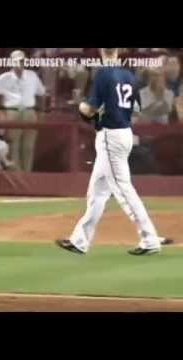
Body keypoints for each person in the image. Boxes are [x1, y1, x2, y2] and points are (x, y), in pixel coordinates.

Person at [56, 48, 174, 257]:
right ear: (118, 53)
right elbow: (136, 109)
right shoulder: (128, 75)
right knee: (97, 192)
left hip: (111, 135)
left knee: (123, 189)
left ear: (102, 52)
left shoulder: (103, 74)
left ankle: (149, 238)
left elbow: (89, 110)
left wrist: (83, 107)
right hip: (124, 132)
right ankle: (79, 240)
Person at [0, 50, 46, 171]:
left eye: (22, 60)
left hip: (30, 112)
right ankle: (16, 176)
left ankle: (27, 175)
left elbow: (42, 93)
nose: (20, 63)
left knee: (28, 147)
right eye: (17, 60)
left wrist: (41, 112)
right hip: (11, 111)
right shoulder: (3, 78)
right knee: (13, 145)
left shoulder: (32, 76)